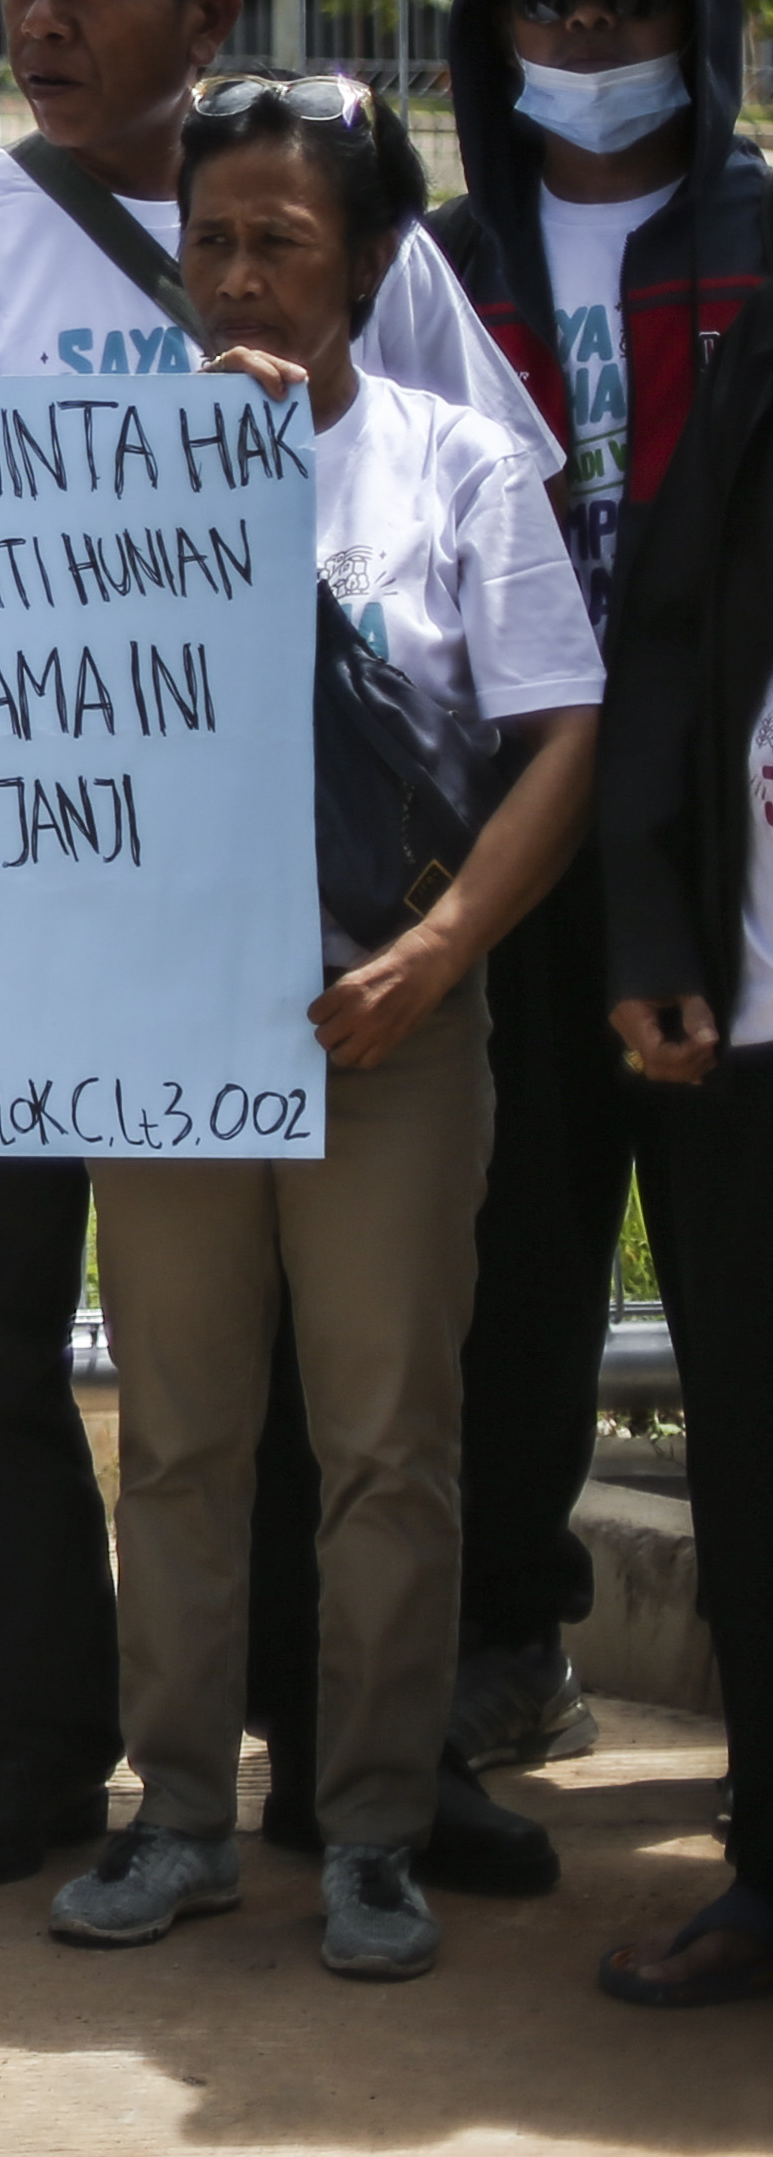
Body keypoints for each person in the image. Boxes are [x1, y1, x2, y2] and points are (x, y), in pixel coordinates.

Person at [0, 0, 573, 1890]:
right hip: (16, 906)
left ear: (210, 9)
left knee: (316, 1369)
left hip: (299, 941)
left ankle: (346, 1760)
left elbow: (472, 521)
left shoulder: (364, 241)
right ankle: (37, 1741)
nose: (37, 17)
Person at [47, 76, 599, 1981]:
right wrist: (192, 487)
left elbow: (560, 735)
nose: (235, 279)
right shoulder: (101, 465)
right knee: (179, 1438)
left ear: (368, 264)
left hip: (386, 1034)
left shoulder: (457, 468)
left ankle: (369, 1827)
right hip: (170, 1036)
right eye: (206, 242)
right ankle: (175, 1818)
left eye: (278, 244)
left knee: (384, 1441)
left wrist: (436, 954)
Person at [420, 0, 762, 1792]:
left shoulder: (760, 242)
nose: (581, 29)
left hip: (727, 843)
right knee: (511, 1264)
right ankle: (501, 1635)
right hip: (509, 821)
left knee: (738, 1271)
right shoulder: (437, 262)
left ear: (692, 21)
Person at [581, 163, 773, 2012]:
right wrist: (651, 928)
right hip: (750, 1017)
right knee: (754, 1449)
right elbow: (658, 640)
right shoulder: (752, 358)